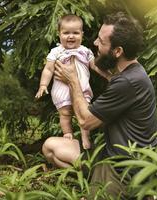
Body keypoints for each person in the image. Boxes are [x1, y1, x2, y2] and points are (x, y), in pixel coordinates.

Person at [42, 11, 157, 198]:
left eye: (101, 42)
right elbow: (114, 86)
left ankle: (128, 192)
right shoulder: (130, 73)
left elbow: (85, 121)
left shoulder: (127, 82)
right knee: (50, 147)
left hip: (125, 168)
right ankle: (92, 177)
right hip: (110, 152)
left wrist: (73, 80)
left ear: (117, 51)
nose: (95, 43)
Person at [36, 14, 111, 150]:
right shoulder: (56, 52)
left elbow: (95, 66)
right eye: (66, 33)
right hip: (62, 91)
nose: (71, 36)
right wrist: (43, 85)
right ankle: (68, 134)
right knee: (65, 115)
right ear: (59, 34)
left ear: (82, 34)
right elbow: (48, 69)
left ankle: (85, 138)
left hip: (81, 90)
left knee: (83, 113)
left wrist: (107, 75)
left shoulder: (85, 51)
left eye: (75, 33)